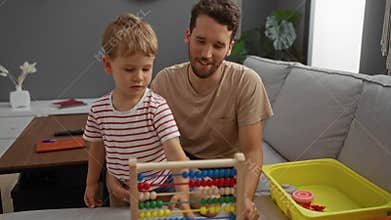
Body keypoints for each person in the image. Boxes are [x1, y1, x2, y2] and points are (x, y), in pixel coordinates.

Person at [151, 0, 273, 219]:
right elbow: (154, 144)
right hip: (182, 162)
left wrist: (244, 199)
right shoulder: (164, 82)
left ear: (230, 47)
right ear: (187, 35)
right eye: (200, 41)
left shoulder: (247, 82)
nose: (207, 54)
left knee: (216, 207)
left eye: (218, 46)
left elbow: (252, 151)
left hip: (228, 167)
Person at [83, 13, 193, 217]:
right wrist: (91, 184)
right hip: (121, 190)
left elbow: (175, 153)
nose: (140, 77)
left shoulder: (157, 107)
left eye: (146, 68)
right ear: (108, 65)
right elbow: (96, 151)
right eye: (129, 69)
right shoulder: (99, 110)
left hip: (161, 189)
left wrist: (183, 190)